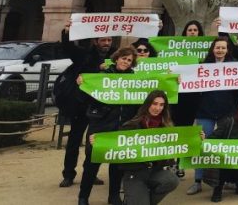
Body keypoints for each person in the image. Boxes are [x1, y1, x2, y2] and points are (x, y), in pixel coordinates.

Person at [59, 19, 115, 188]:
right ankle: (68, 174)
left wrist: (154, 30)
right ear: (95, 41)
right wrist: (66, 32)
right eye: (103, 40)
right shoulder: (84, 54)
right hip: (81, 104)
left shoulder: (114, 56)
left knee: (94, 142)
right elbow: (68, 48)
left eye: (109, 40)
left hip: (101, 106)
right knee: (74, 140)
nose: (106, 43)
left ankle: (91, 173)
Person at [78, 46, 137, 205]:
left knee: (117, 164)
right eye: (124, 58)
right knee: (92, 162)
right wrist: (83, 85)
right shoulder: (102, 76)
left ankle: (113, 196)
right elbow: (87, 99)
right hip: (101, 124)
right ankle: (83, 197)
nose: (126, 62)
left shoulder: (136, 80)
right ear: (117, 58)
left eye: (129, 60)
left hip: (122, 126)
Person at [187, 35, 238, 195]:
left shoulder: (236, 66)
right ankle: (198, 181)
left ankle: (228, 179)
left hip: (227, 111)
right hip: (205, 111)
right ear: (213, 49)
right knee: (201, 145)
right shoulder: (203, 66)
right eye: (217, 47)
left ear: (227, 50)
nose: (220, 50)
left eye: (223, 48)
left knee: (226, 146)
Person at [118, 90, 180, 205]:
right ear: (148, 104)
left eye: (161, 105)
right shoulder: (132, 125)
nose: (158, 108)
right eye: (154, 104)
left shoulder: (167, 127)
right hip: (135, 174)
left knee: (172, 180)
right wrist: (95, 142)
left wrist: (197, 138)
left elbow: (181, 144)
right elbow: (114, 148)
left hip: (154, 172)